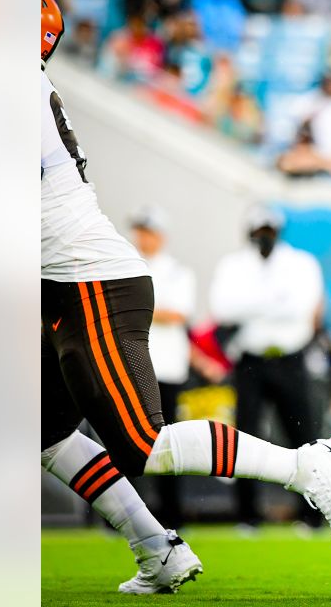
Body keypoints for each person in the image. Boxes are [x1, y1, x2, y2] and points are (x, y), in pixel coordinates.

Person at [40, 0, 331, 597]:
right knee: (40, 431)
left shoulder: (16, 92)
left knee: (141, 445)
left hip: (90, 285)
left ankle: (307, 466)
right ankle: (155, 548)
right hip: (59, 287)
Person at [208, 206, 329, 528]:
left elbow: (300, 308)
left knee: (303, 436)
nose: (264, 237)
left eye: (269, 231)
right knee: (246, 437)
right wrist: (273, 301)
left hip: (290, 357)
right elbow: (222, 308)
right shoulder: (233, 265)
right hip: (251, 360)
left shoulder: (301, 263)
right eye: (258, 231)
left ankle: (312, 514)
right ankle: (247, 516)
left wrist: (252, 303)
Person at [128, 205, 196, 528]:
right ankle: (127, 515)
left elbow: (179, 313)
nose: (142, 237)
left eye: (147, 231)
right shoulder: (125, 265)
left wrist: (134, 311)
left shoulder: (177, 272)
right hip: (132, 365)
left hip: (166, 368)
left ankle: (171, 515)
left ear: (160, 236)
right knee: (126, 442)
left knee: (168, 443)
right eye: (139, 230)